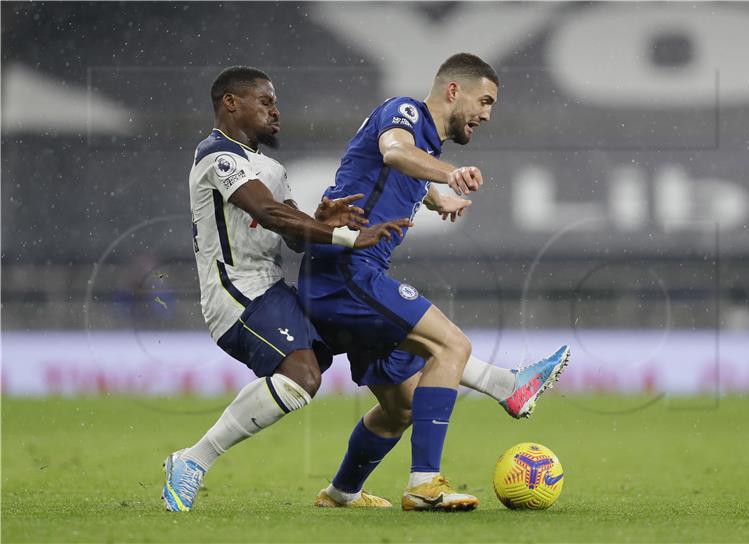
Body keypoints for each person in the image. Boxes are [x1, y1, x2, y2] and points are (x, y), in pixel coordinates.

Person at [298, 53, 569, 511]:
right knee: (451, 346)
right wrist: (450, 176)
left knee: (402, 408)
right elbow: (393, 152)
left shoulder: (423, 142)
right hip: (347, 271)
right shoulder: (405, 112)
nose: (486, 113)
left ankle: (341, 493)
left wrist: (435, 194)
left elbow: (393, 168)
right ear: (452, 91)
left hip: (339, 277)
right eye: (484, 100)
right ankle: (429, 480)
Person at [161, 66, 410, 512]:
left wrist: (323, 220)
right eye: (265, 101)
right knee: (303, 377)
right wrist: (347, 236)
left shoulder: (270, 167)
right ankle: (191, 460)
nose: (276, 111)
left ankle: (344, 492)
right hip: (237, 295)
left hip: (274, 290)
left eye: (275, 102)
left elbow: (293, 233)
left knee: (374, 334)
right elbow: (271, 213)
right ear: (231, 103)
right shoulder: (216, 155)